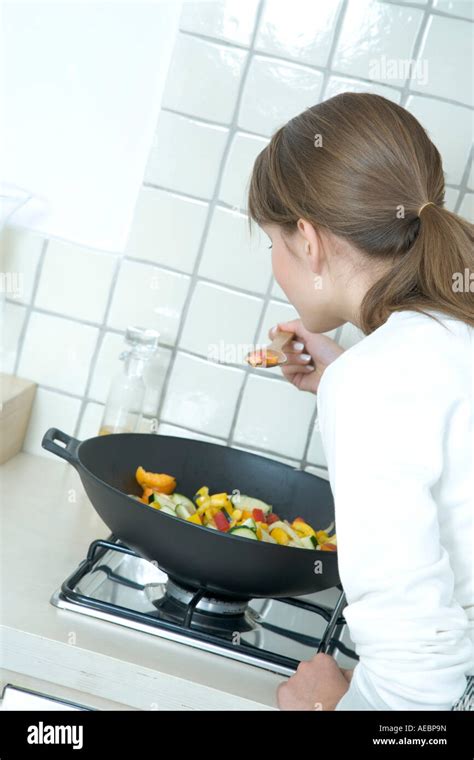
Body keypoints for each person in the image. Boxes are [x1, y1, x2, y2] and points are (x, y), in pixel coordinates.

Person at [247, 92, 473, 711]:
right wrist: (350, 377)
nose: (274, 261)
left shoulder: (379, 381)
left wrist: (325, 711)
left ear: (308, 239)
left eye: (271, 241)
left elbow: (417, 673)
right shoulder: (450, 338)